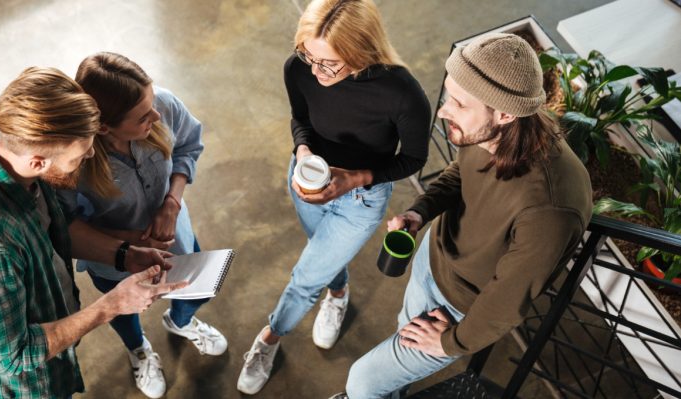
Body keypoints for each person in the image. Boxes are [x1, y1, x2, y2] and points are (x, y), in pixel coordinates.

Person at [339, 33, 593, 398]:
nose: (442, 112)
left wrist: (451, 342)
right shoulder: (493, 133)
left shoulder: (549, 210)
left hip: (455, 307)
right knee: (397, 349)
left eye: (458, 104)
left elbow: (507, 301)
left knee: (362, 382)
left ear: (505, 113)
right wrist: (420, 210)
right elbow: (462, 173)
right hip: (434, 259)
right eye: (447, 96)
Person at [0, 67, 186, 399]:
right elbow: (11, 355)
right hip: (21, 383)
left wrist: (124, 254)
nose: (91, 154)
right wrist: (111, 305)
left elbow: (51, 229)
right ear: (37, 163)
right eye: (79, 156)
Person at [237, 0, 431, 394]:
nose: (316, 71)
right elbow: (301, 120)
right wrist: (303, 152)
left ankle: (269, 338)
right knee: (321, 254)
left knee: (306, 277)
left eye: (330, 64)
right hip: (308, 180)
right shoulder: (299, 69)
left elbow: (414, 157)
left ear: (362, 52)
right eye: (308, 56)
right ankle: (339, 292)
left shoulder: (402, 93)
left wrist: (357, 178)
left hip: (361, 200)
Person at [59, 52, 227, 399]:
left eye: (152, 102)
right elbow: (66, 223)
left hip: (175, 238)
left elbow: (188, 145)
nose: (156, 115)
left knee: (196, 289)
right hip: (114, 262)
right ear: (104, 128)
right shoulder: (74, 163)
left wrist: (172, 201)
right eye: (142, 117)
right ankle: (138, 350)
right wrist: (127, 241)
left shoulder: (160, 104)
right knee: (125, 309)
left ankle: (180, 322)